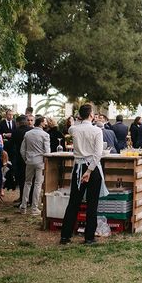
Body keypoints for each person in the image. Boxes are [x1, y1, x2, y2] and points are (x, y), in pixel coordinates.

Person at [60, 104, 108, 245]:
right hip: (91, 169)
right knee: (92, 205)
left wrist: (78, 118)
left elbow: (70, 125)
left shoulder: (73, 129)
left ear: (80, 115)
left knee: (73, 203)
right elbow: (98, 153)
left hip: (78, 167)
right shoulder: (97, 130)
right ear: (92, 115)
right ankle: (89, 237)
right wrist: (89, 171)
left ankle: (65, 236)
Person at [19, 116, 51, 215]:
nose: (46, 123)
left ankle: (23, 206)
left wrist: (26, 159)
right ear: (41, 123)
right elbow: (47, 151)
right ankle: (34, 208)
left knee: (27, 183)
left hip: (29, 161)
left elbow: (22, 150)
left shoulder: (28, 134)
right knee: (37, 184)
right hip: (40, 161)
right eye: (44, 121)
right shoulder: (45, 135)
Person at [10, 114, 32, 205]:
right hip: (31, 157)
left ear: (18, 123)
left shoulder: (15, 132)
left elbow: (12, 144)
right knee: (31, 180)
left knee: (22, 179)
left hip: (20, 158)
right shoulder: (31, 130)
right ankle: (30, 198)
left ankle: (23, 197)